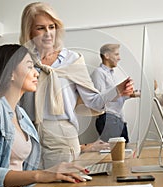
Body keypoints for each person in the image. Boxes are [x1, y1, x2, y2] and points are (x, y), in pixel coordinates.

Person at [0, 44, 88, 187]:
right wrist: (41, 175)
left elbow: (23, 168)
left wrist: (57, 170)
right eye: (29, 67)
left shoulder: (21, 115)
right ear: (10, 73)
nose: (36, 73)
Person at [19, 2, 134, 169]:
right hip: (28, 137)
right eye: (40, 28)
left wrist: (117, 90)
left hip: (61, 136)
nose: (48, 34)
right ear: (29, 30)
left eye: (52, 27)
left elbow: (93, 101)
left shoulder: (72, 59)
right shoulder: (22, 60)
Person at [91, 44, 131, 143]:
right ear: (106, 56)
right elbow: (101, 99)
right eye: (116, 54)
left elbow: (116, 97)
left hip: (118, 119)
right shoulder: (99, 73)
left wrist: (130, 93)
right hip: (108, 120)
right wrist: (119, 91)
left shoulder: (112, 74)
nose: (119, 58)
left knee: (124, 152)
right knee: (113, 155)